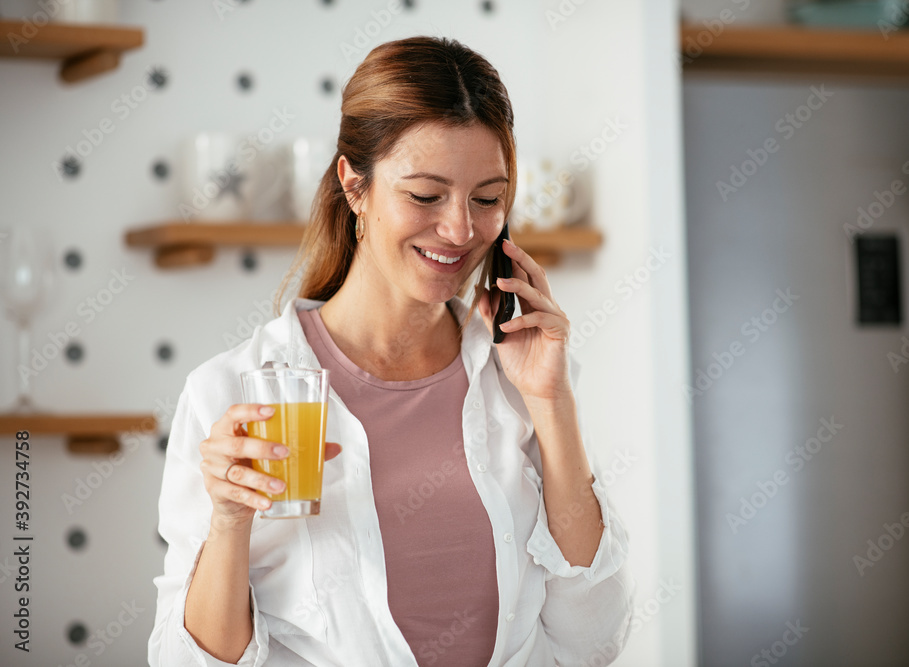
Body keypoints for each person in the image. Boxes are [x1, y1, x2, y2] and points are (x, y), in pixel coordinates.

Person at [149, 35, 634, 667]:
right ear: (355, 185)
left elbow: (594, 640)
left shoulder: (521, 377)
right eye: (425, 195)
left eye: (487, 199)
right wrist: (229, 521)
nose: (460, 230)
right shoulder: (234, 391)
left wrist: (552, 403)